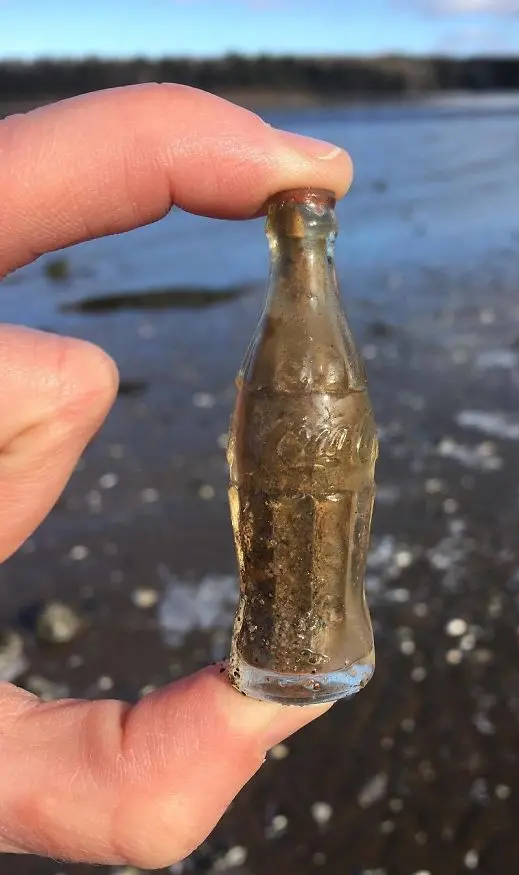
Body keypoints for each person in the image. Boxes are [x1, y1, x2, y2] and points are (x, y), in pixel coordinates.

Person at [0, 83, 353, 869]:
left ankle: (313, 645)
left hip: (332, 633)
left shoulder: (319, 331)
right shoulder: (285, 337)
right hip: (269, 642)